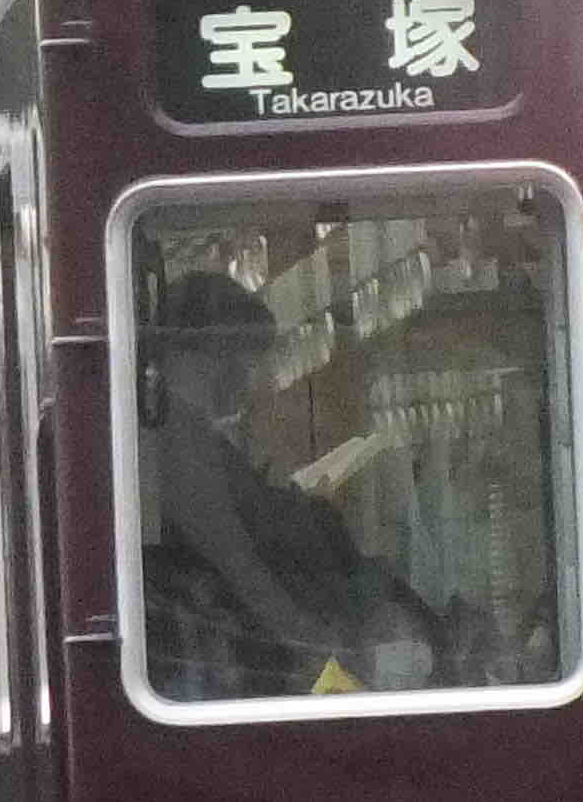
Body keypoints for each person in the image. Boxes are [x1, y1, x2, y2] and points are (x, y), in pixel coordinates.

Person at [143, 267, 444, 701]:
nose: (252, 380)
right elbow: (238, 564)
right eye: (248, 359)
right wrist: (314, 646)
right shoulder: (179, 441)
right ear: (215, 351)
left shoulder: (189, 434)